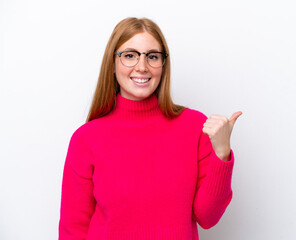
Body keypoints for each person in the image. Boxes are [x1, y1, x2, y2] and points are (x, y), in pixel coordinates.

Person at [58, 17, 242, 240]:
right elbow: (73, 229)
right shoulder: (86, 139)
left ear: (163, 65)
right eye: (129, 56)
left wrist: (221, 154)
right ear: (112, 65)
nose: (142, 67)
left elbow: (207, 217)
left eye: (152, 56)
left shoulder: (194, 127)